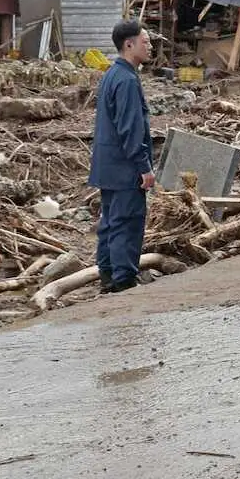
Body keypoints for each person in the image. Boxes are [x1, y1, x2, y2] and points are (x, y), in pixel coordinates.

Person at [88, 20, 156, 294]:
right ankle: (124, 280)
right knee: (127, 222)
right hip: (125, 166)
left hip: (107, 166)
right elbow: (130, 128)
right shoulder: (127, 80)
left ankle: (107, 275)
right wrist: (144, 167)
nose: (150, 47)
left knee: (110, 222)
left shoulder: (111, 75)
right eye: (146, 41)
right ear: (129, 44)